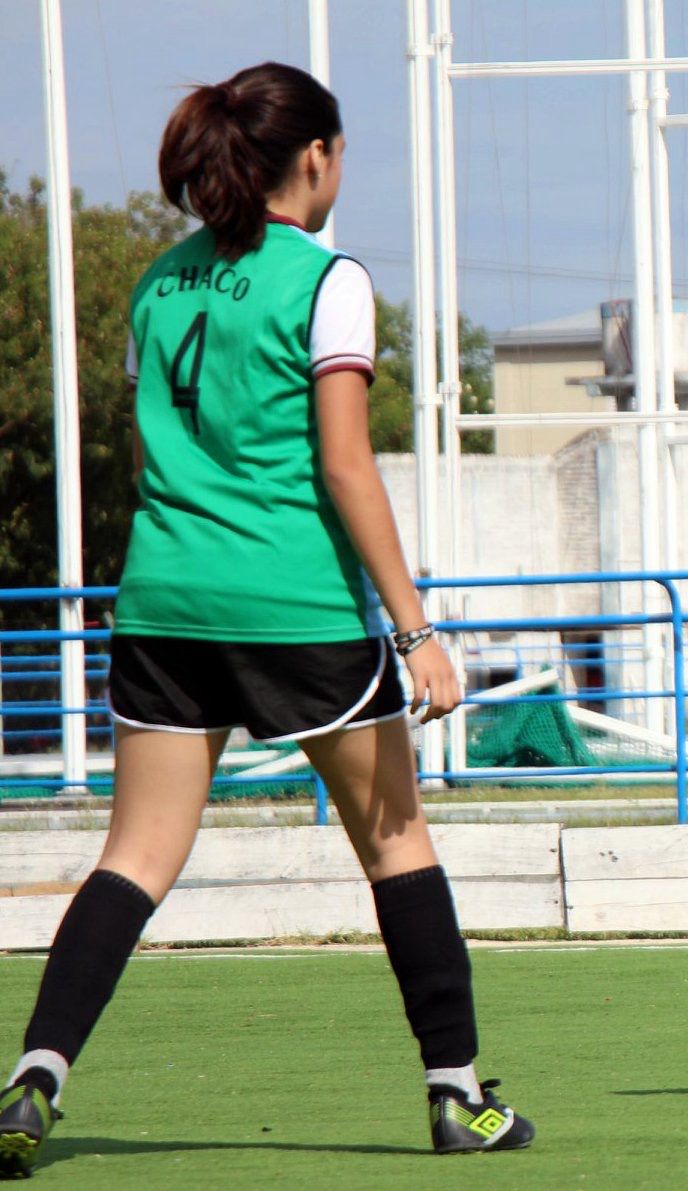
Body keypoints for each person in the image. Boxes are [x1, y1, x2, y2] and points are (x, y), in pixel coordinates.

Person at [0, 64, 532, 1178]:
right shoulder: (328, 280)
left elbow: (150, 458)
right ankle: (455, 1098)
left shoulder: (160, 284)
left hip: (161, 603)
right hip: (295, 609)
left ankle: (34, 1079)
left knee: (133, 859)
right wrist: (416, 626)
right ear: (318, 157)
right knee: (396, 847)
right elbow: (345, 464)